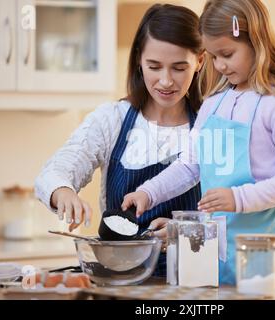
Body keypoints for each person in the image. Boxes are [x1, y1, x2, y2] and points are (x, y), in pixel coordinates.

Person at [122, 0, 275, 286]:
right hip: (214, 245)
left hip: (263, 244)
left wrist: (239, 198)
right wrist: (149, 193)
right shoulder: (212, 106)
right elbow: (189, 167)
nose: (220, 65)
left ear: (256, 41)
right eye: (212, 57)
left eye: (227, 54)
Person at [35, 3, 209, 277]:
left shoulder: (210, 125)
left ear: (200, 60)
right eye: (154, 66)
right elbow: (55, 171)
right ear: (139, 59)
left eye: (178, 68)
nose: (165, 81)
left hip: (193, 284)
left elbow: (234, 214)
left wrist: (185, 231)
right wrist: (63, 192)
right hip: (120, 281)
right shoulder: (112, 119)